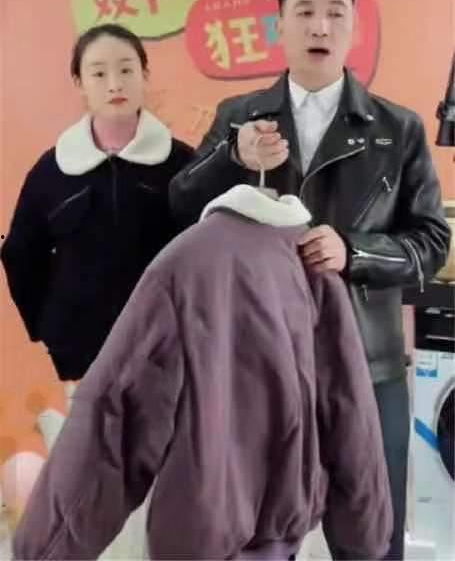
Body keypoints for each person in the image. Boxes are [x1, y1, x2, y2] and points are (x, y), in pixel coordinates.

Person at [169, 0, 451, 560]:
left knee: (372, 537)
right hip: (258, 365)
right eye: (304, 12)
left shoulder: (399, 129)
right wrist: (231, 156)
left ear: (353, 27)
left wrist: (355, 251)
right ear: (281, 25)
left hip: (368, 368)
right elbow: (181, 206)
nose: (320, 26)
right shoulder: (240, 117)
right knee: (256, 536)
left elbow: (432, 242)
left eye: (335, 12)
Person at [12, 183, 393, 560]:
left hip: (198, 539)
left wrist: (44, 550)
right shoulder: (313, 258)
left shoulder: (184, 264)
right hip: (285, 540)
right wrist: (364, 537)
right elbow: (350, 409)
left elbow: (114, 418)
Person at [1, 23, 193, 382]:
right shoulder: (52, 169)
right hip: (80, 357)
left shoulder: (182, 163)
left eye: (126, 70)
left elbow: (205, 256)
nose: (114, 84)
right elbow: (20, 254)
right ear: (79, 83)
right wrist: (49, 326)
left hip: (167, 350)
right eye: (99, 73)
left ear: (144, 75)